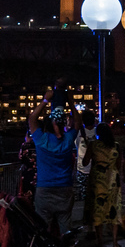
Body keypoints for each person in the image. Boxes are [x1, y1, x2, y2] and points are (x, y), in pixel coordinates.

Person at [30, 98, 81, 236]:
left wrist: (45, 100)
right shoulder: (68, 140)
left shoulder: (41, 139)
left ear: (46, 126)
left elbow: (32, 119)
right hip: (65, 187)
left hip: (44, 188)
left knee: (43, 226)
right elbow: (77, 122)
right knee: (65, 225)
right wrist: (70, 100)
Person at [82, 122, 121, 247]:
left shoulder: (93, 145)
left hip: (98, 181)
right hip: (113, 180)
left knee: (98, 210)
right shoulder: (116, 146)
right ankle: (115, 242)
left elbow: (85, 162)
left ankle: (100, 242)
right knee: (113, 209)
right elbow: (119, 165)